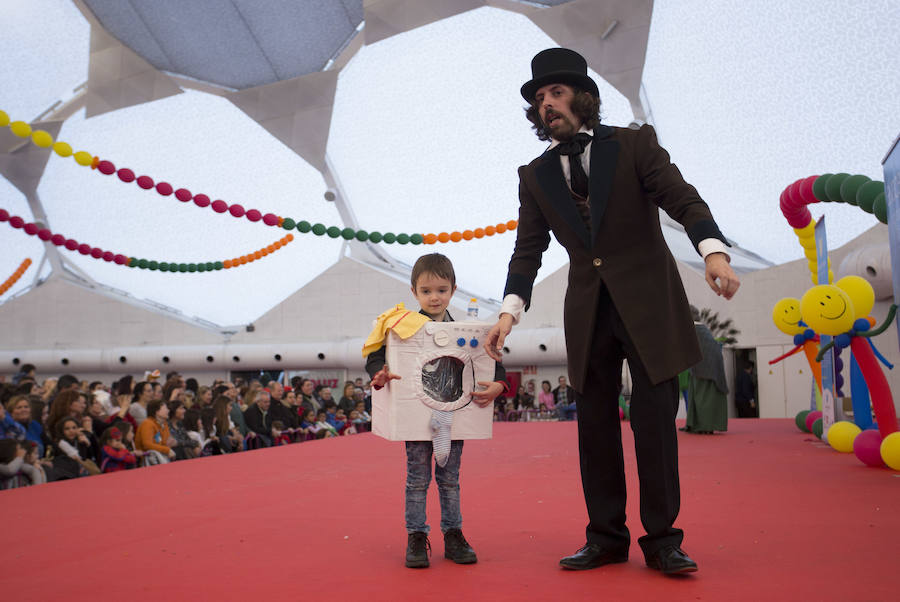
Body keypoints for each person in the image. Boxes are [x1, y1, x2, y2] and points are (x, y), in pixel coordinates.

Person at [486, 48, 740, 575]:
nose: (546, 104)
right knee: (594, 431)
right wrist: (509, 311)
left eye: (555, 93)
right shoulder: (533, 175)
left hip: (650, 303)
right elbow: (527, 250)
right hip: (588, 309)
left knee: (654, 427)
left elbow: (681, 197)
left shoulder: (634, 144)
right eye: (539, 99)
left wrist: (712, 249)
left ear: (584, 97)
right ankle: (604, 537)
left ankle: (664, 540)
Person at [365, 253, 508, 569]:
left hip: (453, 416)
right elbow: (375, 355)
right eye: (427, 291)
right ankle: (416, 535)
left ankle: (453, 534)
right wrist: (380, 372)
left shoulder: (469, 332)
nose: (434, 297)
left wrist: (501, 384)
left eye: (441, 290)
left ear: (453, 290)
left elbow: (492, 360)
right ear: (414, 292)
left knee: (450, 479)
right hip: (415, 415)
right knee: (417, 479)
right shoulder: (403, 329)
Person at [684, 307, 729, 433]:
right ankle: (697, 424)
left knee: (703, 398)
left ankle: (704, 426)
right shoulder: (702, 329)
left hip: (704, 369)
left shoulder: (693, 329)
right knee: (700, 396)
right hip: (709, 368)